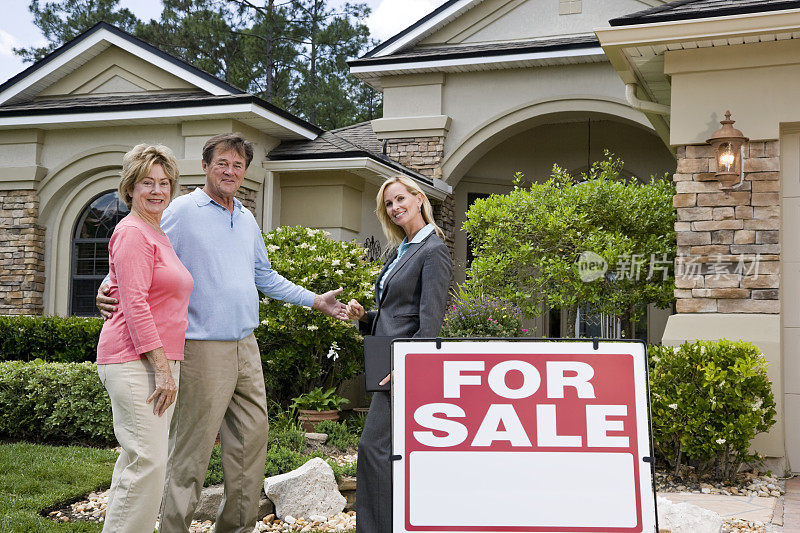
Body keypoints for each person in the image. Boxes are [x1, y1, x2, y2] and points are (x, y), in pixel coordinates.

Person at [97, 133, 349, 533]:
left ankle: (236, 528)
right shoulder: (180, 210)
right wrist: (106, 287)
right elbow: (136, 255)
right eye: (222, 163)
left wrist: (314, 300)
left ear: (245, 172)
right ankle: (173, 528)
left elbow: (263, 276)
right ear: (206, 166)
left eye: (238, 165)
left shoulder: (246, 217)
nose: (230, 171)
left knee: (251, 446)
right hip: (199, 347)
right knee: (190, 454)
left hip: (245, 346)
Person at [345, 175, 452, 533]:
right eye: (388, 204)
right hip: (385, 363)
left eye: (400, 199)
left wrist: (409, 369)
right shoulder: (401, 249)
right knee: (389, 453)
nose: (395, 208)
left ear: (419, 198)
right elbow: (396, 313)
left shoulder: (433, 249)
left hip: (402, 369)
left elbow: (430, 320)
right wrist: (365, 317)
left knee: (372, 449)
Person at [96, 144, 193, 533]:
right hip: (134, 361)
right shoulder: (133, 232)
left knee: (142, 463)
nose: (157, 190)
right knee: (147, 463)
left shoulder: (157, 233)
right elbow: (135, 305)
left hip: (159, 360)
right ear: (130, 188)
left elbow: (127, 287)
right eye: (147, 183)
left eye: (164, 183)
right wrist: (162, 370)